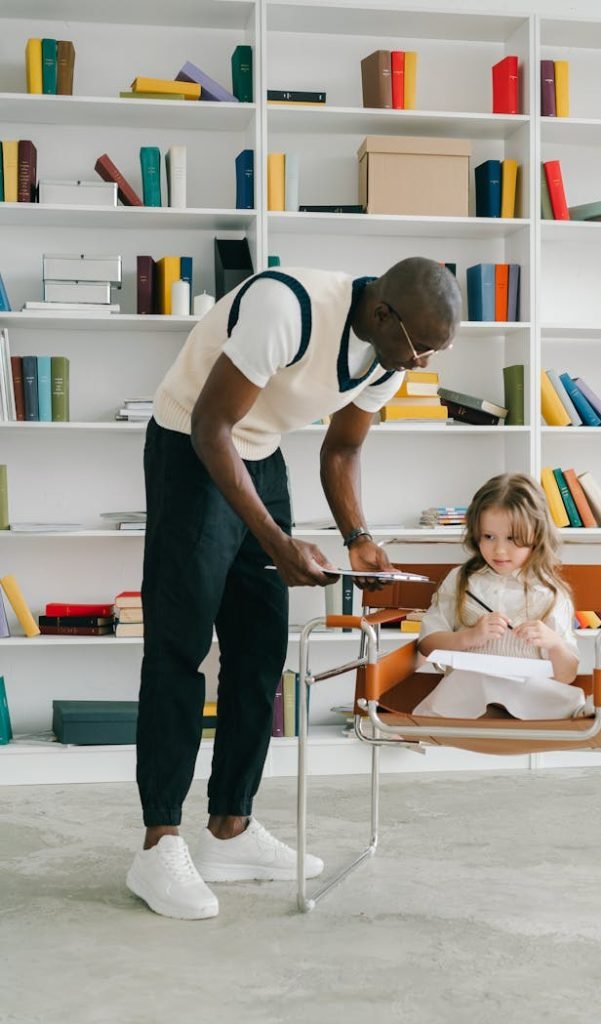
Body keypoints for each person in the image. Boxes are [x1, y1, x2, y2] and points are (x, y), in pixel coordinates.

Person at [126, 257, 462, 919]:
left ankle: (230, 828)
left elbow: (341, 450)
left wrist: (357, 534)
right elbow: (208, 428)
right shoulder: (288, 308)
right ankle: (158, 844)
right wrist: (278, 543)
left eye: (437, 350)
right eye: (420, 345)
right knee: (180, 645)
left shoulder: (385, 358)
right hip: (190, 450)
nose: (422, 362)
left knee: (257, 651)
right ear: (381, 313)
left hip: (259, 453)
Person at [414, 473, 582, 720]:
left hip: (529, 696)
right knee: (467, 681)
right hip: (468, 697)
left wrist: (554, 644)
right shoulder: (462, 580)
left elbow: (567, 675)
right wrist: (470, 637)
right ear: (475, 533)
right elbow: (427, 643)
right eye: (489, 537)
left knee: (568, 697)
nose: (499, 550)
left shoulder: (550, 592)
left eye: (513, 539)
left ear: (536, 535)